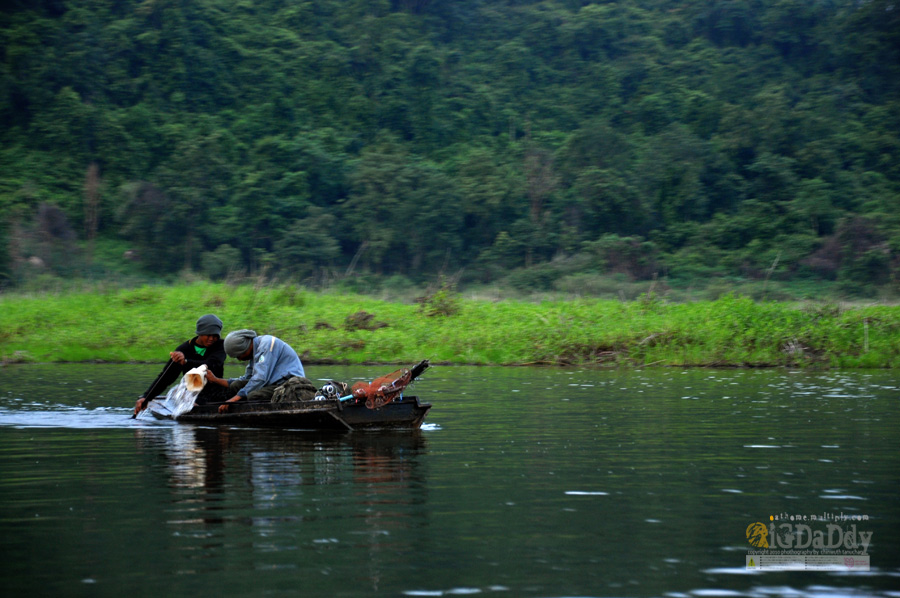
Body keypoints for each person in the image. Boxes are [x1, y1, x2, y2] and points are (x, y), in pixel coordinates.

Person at [133, 314, 227, 416]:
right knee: (194, 402)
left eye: (215, 336)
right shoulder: (184, 349)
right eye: (208, 335)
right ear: (200, 333)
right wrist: (146, 397)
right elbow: (166, 377)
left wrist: (186, 362)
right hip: (193, 393)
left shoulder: (220, 346)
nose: (212, 339)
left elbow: (213, 363)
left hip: (215, 390)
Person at [206, 329, 306, 413]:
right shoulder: (254, 352)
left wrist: (234, 399)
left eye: (239, 355)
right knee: (236, 385)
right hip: (271, 383)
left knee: (254, 396)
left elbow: (260, 379)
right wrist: (215, 380)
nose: (240, 359)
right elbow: (247, 379)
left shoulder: (266, 344)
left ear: (246, 347)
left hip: (288, 384)